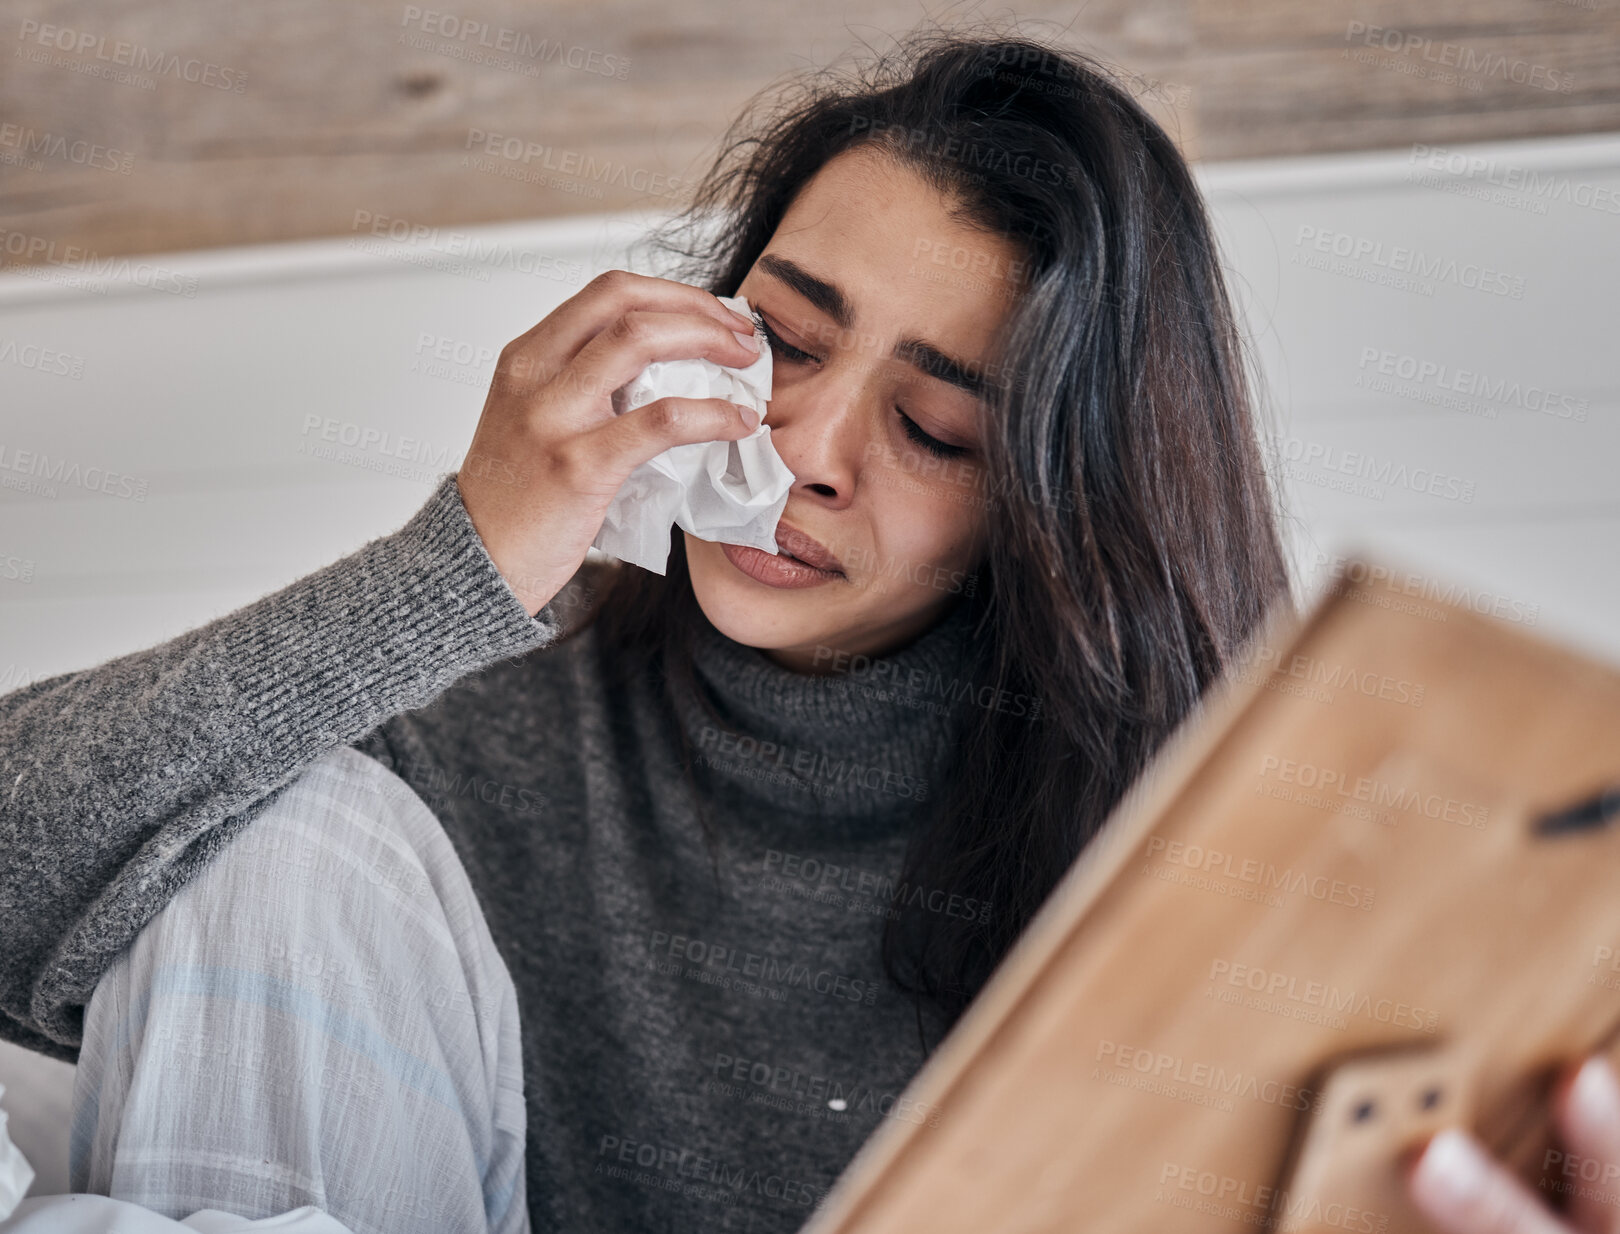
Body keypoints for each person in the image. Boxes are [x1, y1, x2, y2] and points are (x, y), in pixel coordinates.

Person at [3, 25, 1611, 1234]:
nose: (811, 449)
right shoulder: (469, 738)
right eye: (780, 338)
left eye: (937, 433)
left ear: (1050, 509)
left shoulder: (1181, 854)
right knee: (284, 819)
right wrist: (462, 560)